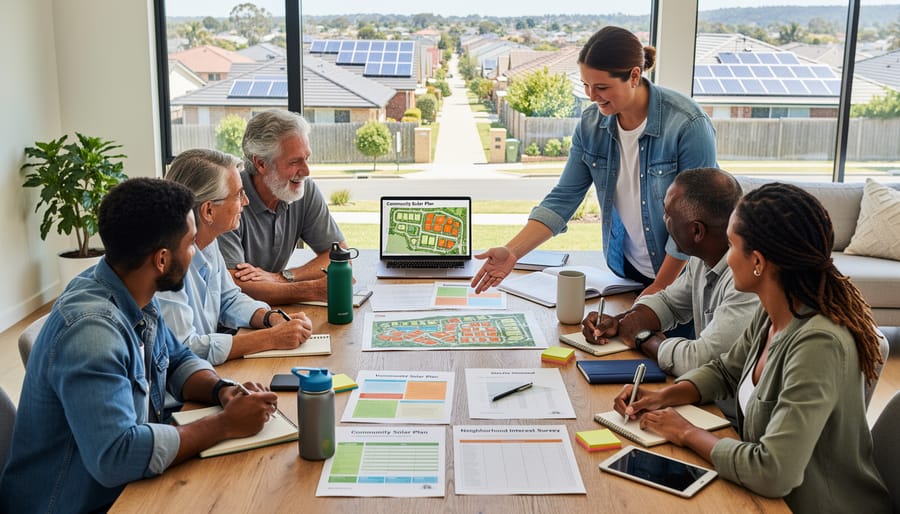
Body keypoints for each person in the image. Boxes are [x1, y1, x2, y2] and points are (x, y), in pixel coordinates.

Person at [0, 178, 278, 512]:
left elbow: (176, 359)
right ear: (162, 259)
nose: (195, 253)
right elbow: (117, 455)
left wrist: (222, 391)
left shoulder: (132, 287)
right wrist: (225, 424)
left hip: (120, 487)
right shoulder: (93, 335)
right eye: (191, 243)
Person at [615, 183, 890, 512]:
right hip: (763, 497)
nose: (726, 258)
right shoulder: (774, 312)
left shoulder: (819, 344)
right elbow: (725, 371)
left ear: (758, 261)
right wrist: (662, 396)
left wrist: (685, 432)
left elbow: (773, 471)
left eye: (731, 245)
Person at [472, 25, 717, 296]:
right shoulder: (591, 125)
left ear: (634, 76)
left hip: (685, 282)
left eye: (602, 87)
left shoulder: (688, 125)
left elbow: (697, 222)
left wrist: (661, 286)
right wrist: (513, 252)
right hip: (629, 274)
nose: (591, 96)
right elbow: (563, 198)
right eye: (586, 85)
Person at [582, 168, 758, 420]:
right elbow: (670, 303)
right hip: (704, 406)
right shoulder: (703, 256)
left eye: (668, 214)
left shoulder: (747, 281)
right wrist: (620, 322)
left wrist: (644, 339)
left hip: (728, 419)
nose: (663, 220)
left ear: (697, 232)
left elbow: (702, 360)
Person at [160, 149, 314, 365]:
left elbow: (228, 298)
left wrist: (271, 318)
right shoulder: (162, 266)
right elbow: (185, 348)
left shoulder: (209, 242)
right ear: (208, 211)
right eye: (239, 194)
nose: (246, 202)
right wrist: (270, 338)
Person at [217, 109, 347, 305]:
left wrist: (280, 277)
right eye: (295, 162)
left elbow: (338, 257)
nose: (306, 171)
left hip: (267, 314)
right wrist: (312, 290)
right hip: (228, 324)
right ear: (261, 163)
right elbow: (236, 285)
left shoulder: (303, 189)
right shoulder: (228, 199)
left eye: (307, 158)